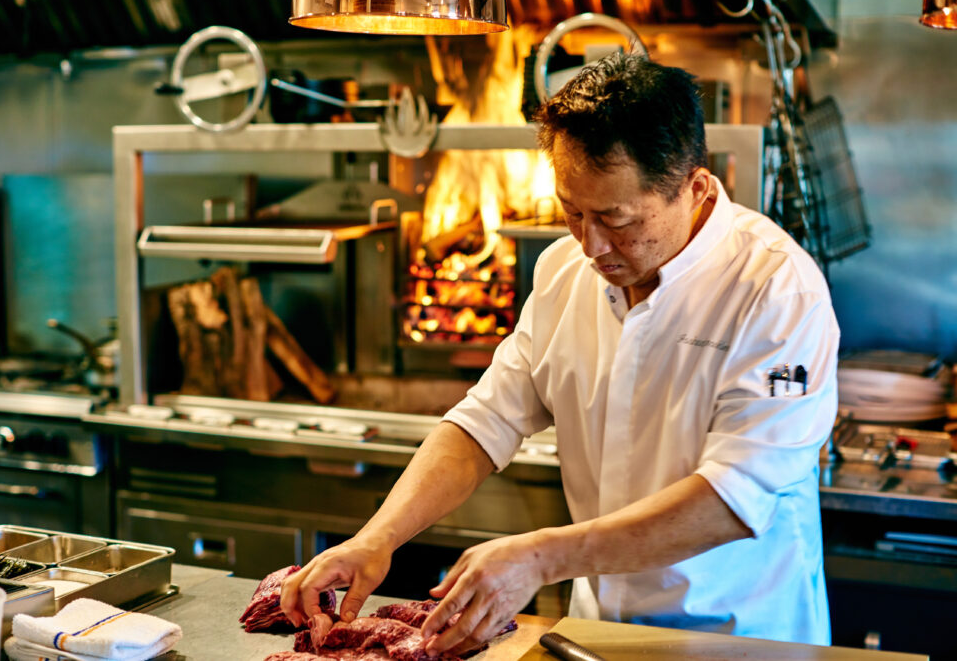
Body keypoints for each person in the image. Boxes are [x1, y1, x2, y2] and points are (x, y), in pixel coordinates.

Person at [280, 52, 839, 655]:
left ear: (694, 188)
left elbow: (733, 498)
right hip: (595, 633)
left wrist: (542, 557)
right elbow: (486, 421)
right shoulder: (561, 270)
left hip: (741, 638)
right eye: (571, 212)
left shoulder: (776, 287)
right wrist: (378, 538)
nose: (591, 244)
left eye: (615, 219)